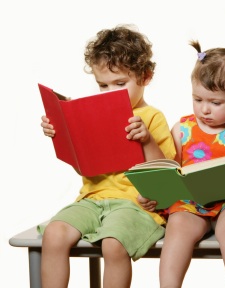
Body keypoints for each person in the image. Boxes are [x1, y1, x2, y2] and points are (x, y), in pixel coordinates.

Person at [38, 24, 176, 288]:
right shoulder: (94, 114)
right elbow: (85, 168)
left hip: (135, 205)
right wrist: (61, 134)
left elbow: (167, 174)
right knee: (54, 234)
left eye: (120, 84)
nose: (110, 92)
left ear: (145, 77)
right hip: (92, 200)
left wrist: (146, 139)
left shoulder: (151, 117)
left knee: (113, 244)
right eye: (103, 85)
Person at [139, 41, 225, 288]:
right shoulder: (183, 129)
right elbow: (170, 171)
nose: (205, 109)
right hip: (193, 203)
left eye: (216, 102)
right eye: (198, 99)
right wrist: (155, 194)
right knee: (178, 224)